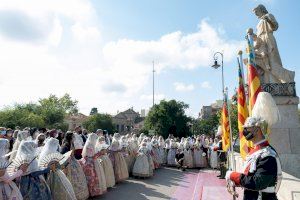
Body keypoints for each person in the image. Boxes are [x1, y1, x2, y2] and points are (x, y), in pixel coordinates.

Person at [226, 117, 281, 200]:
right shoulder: (257, 152)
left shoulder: (267, 155)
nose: (244, 131)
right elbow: (250, 176)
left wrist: (233, 175)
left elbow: (258, 183)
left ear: (257, 130)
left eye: (247, 128)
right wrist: (236, 181)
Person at [60, 131, 89, 200]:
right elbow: (62, 155)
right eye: (73, 136)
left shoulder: (71, 143)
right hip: (68, 163)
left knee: (77, 177)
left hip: (73, 161)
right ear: (70, 137)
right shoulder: (66, 144)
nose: (74, 138)